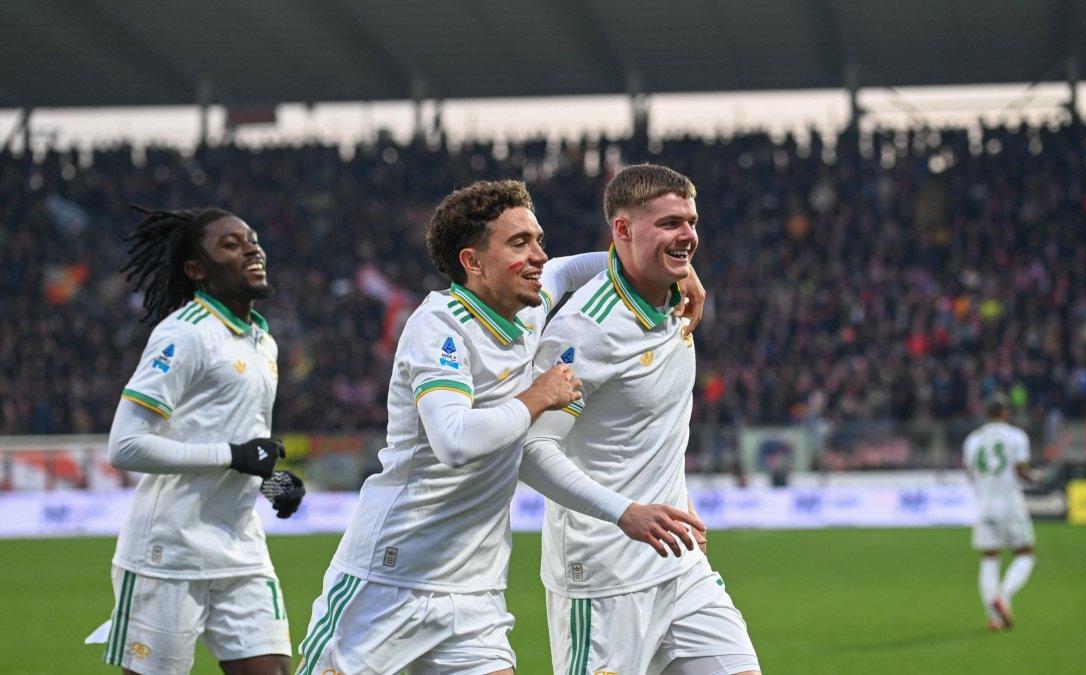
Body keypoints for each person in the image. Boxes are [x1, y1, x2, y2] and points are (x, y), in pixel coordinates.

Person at [297, 180, 706, 675]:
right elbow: (454, 441)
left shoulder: (528, 310)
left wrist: (676, 274)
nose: (538, 255)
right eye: (519, 244)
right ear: (473, 262)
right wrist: (536, 397)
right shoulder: (439, 325)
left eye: (537, 239)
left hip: (475, 593)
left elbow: (571, 268)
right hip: (388, 579)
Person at [525, 164, 759, 675]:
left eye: (691, 222)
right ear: (623, 231)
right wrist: (626, 511)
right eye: (670, 223)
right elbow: (532, 452)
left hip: (679, 564)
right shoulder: (586, 331)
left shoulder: (678, 298)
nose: (688, 236)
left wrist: (678, 498)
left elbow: (644, 431)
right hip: (604, 577)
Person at [90, 207, 304, 675]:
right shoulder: (184, 335)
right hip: (168, 552)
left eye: (252, 238)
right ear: (196, 270)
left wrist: (270, 481)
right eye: (231, 244)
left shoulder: (261, 341)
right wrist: (235, 456)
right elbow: (124, 446)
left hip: (239, 547)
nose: (252, 248)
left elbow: (241, 445)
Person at [963, 395, 1039, 631]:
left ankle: (994, 618)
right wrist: (1037, 477)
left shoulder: (973, 440)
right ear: (1005, 413)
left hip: (985, 503)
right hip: (1009, 502)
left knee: (989, 559)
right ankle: (1003, 597)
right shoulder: (1016, 436)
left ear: (986, 414)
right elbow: (1021, 472)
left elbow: (970, 474)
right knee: (1025, 554)